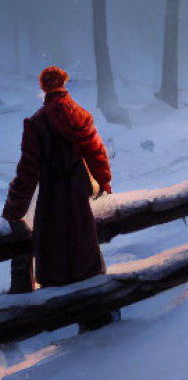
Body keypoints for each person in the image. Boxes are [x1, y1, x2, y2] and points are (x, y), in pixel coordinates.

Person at [2, 67, 113, 294]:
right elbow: (96, 152)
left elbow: (27, 172)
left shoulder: (36, 123)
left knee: (55, 264)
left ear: (44, 88)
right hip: (78, 198)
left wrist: (13, 210)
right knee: (85, 259)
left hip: (51, 202)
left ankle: (58, 313)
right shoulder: (80, 115)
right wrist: (103, 181)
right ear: (64, 84)